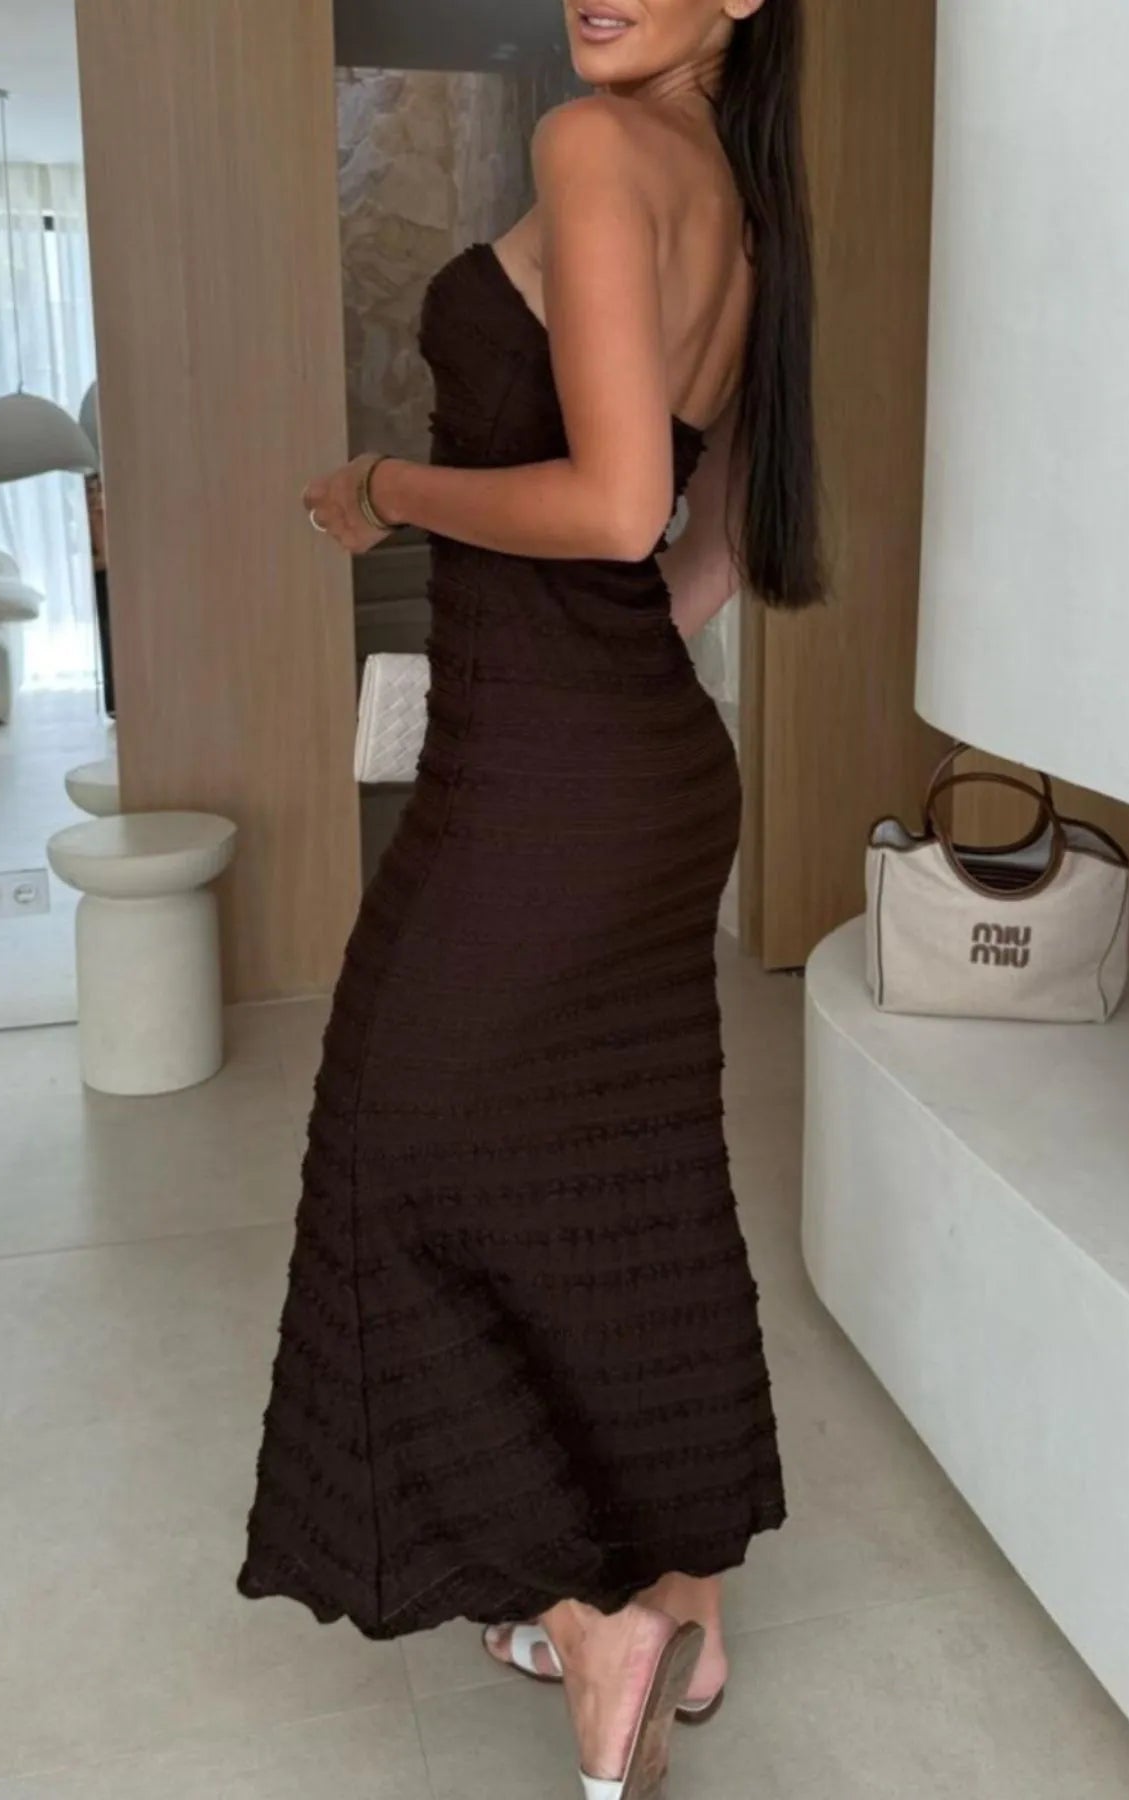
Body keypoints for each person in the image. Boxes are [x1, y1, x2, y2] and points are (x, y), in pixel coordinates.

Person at [238, 3, 821, 1794]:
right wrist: (598, 667)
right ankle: (682, 1585)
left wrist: (382, 488)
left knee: (388, 1153)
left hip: (549, 785)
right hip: (637, 766)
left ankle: (589, 1618)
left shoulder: (592, 144)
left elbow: (621, 503)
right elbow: (708, 544)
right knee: (626, 1178)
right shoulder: (744, 200)